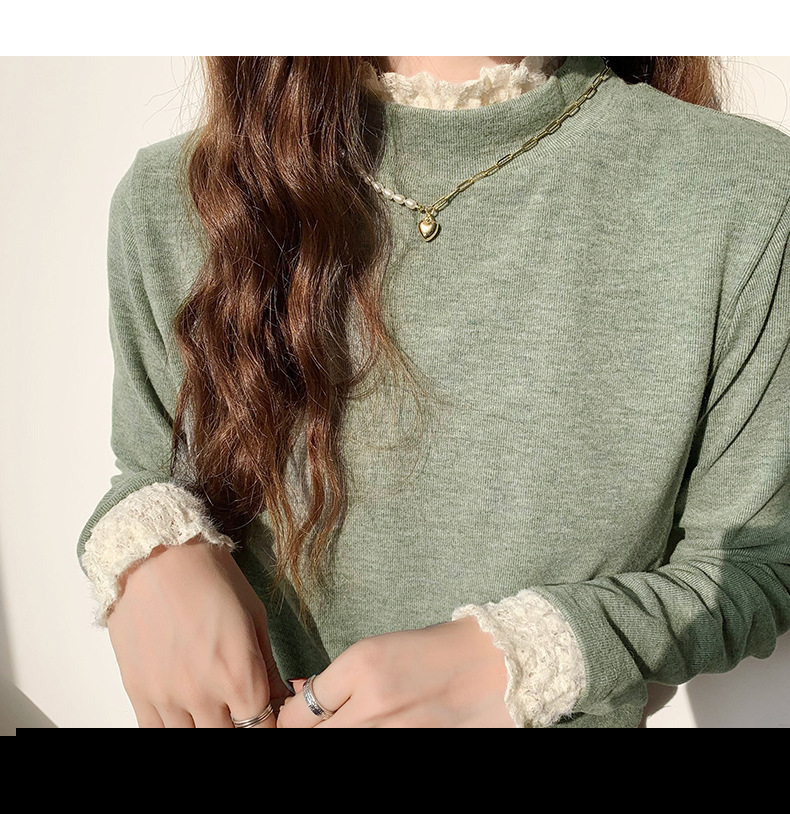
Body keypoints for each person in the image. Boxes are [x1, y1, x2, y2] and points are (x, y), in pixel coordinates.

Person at [76, 56, 790, 728]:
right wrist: (147, 552)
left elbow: (756, 566)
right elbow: (150, 469)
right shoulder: (174, 199)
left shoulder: (741, 189)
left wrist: (527, 655)